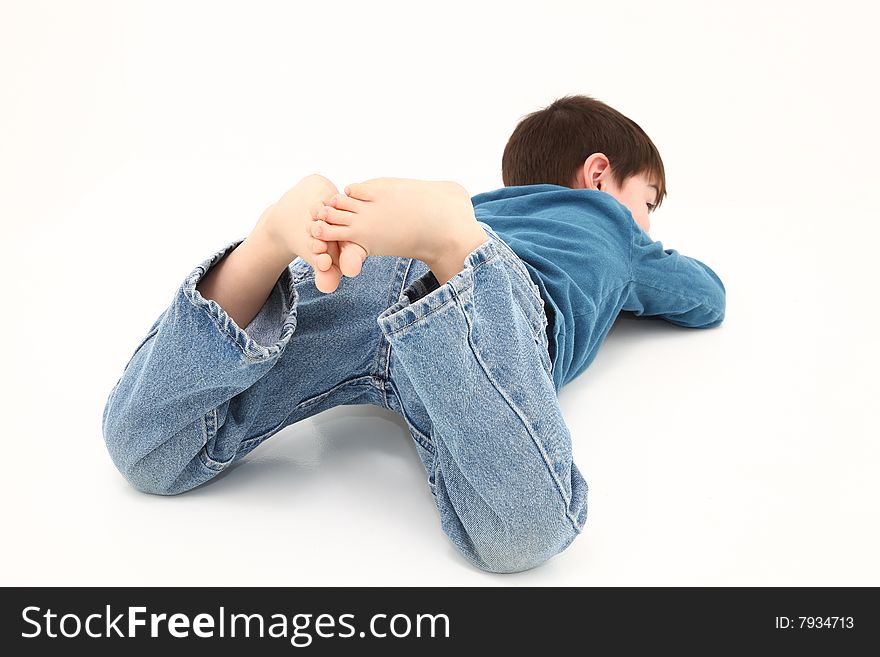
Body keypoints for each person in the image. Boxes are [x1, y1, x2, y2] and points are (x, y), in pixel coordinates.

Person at [102, 95, 725, 574]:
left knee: (149, 452)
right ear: (599, 175)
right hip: (485, 302)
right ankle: (451, 250)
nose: (646, 221)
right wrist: (639, 239)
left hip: (365, 260)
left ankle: (267, 245)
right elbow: (705, 298)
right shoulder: (611, 228)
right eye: (648, 199)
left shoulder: (494, 205)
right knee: (527, 532)